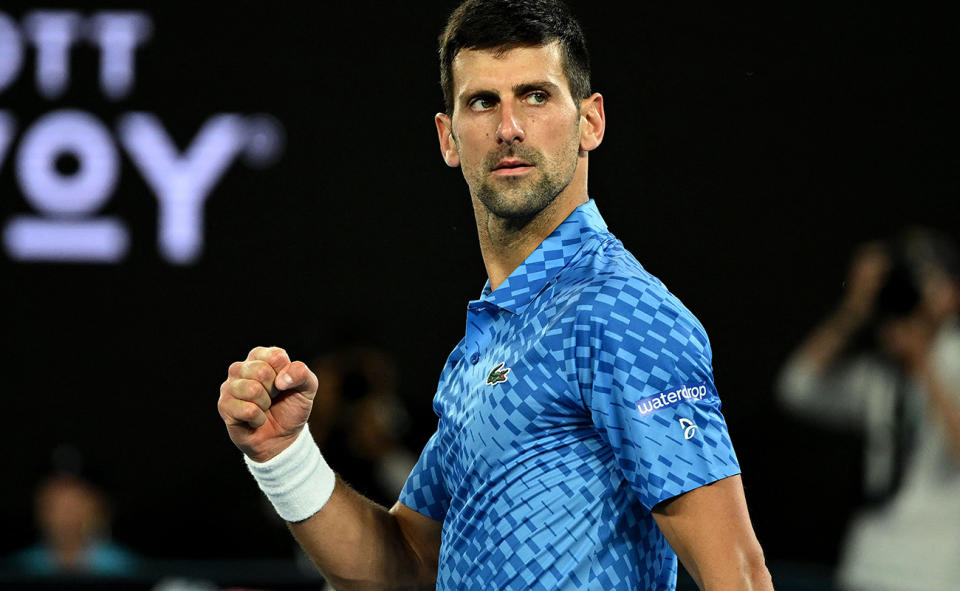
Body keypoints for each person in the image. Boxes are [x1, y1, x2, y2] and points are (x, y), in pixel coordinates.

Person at [217, 1, 773, 589]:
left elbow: (737, 575)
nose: (509, 127)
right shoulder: (488, 342)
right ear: (448, 137)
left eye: (536, 96)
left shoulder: (621, 313)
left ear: (591, 121)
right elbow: (404, 566)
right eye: (483, 102)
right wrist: (284, 456)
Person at [777, 229, 960, 591]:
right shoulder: (882, 371)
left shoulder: (952, 358)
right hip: (868, 559)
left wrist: (924, 364)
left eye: (930, 280)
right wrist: (856, 307)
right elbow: (797, 389)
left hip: (937, 568)